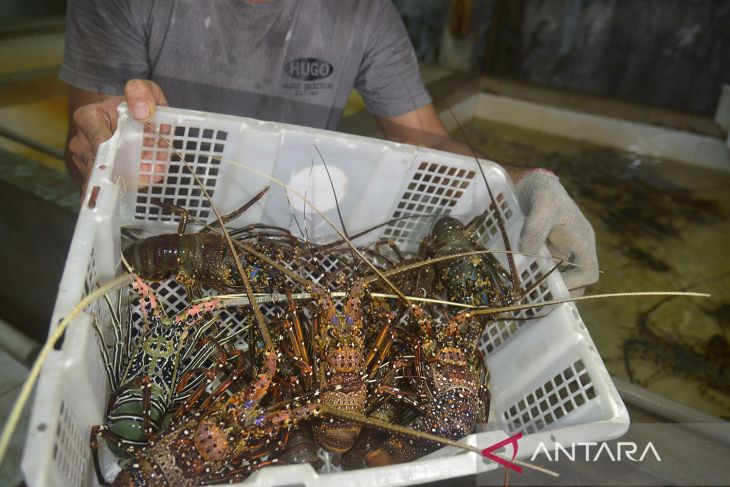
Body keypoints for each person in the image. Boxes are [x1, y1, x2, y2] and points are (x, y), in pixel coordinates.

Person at [61, 0, 598, 292]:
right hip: (157, 244)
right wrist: (111, 145)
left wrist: (525, 184)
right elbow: (87, 143)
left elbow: (429, 141)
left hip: (292, 249)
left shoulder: (364, 12)